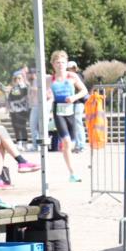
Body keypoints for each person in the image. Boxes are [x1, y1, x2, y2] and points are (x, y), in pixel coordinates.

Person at [48, 50, 88, 182]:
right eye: (57, 62)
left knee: (71, 144)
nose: (60, 65)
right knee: (66, 142)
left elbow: (84, 91)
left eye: (63, 62)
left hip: (71, 111)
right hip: (58, 112)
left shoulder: (72, 76)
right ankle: (72, 173)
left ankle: (71, 162)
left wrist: (74, 97)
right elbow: (43, 94)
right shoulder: (50, 79)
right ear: (53, 64)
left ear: (66, 63)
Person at [7, 70, 31, 150]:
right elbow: (11, 98)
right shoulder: (14, 88)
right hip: (14, 110)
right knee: (16, 127)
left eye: (19, 78)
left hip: (22, 110)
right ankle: (19, 142)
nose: (17, 80)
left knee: (22, 127)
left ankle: (24, 142)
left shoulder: (24, 87)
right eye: (16, 79)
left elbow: (19, 95)